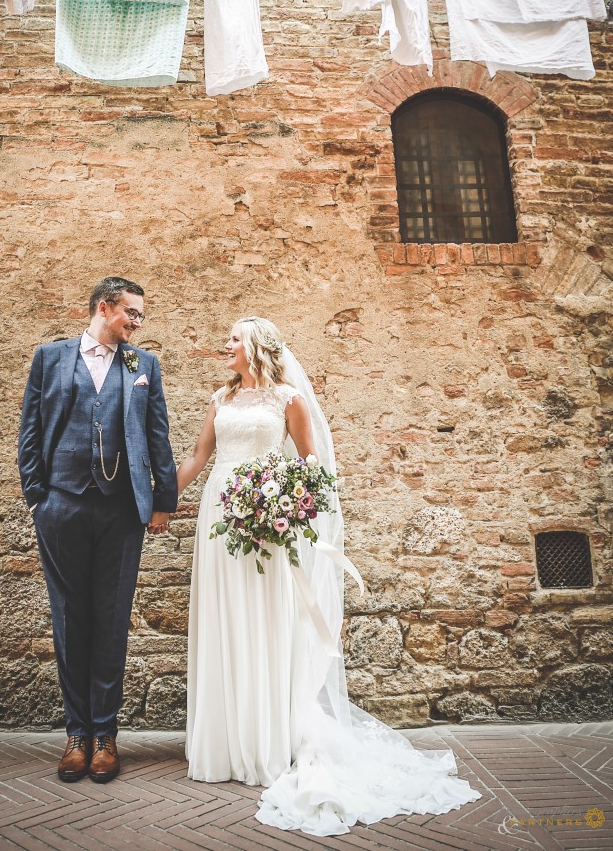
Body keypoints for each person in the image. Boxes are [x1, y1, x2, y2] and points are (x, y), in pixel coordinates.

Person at [178, 316, 481, 836]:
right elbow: (199, 457)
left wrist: (278, 498)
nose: (225, 345)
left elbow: (314, 467)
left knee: (265, 621)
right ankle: (225, 743)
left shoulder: (288, 399)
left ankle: (267, 741)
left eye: (233, 339)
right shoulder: (219, 400)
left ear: (256, 347)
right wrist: (160, 501)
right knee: (224, 619)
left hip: (267, 525)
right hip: (219, 517)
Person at [18, 277, 178, 784]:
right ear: (104, 308)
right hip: (61, 505)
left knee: (111, 620)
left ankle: (105, 736)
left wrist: (163, 499)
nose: (136, 323)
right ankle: (76, 735)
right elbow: (30, 429)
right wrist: (37, 498)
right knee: (69, 618)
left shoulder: (142, 366)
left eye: (140, 316)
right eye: (131, 313)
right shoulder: (50, 357)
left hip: (120, 512)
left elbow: (158, 434)